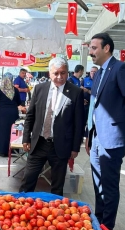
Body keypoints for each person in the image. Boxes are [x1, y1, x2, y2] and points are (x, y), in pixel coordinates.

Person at [86, 33, 125, 230]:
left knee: (109, 184)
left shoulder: (121, 68)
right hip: (97, 138)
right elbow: (93, 105)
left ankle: (107, 228)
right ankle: (99, 221)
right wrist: (89, 134)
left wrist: (118, 123)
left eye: (94, 48)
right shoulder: (98, 73)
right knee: (98, 182)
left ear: (106, 48)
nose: (91, 52)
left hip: (112, 138)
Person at [19, 57, 85, 196]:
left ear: (68, 73)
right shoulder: (39, 89)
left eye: (63, 73)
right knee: (28, 180)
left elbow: (79, 123)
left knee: (57, 185)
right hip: (39, 143)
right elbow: (31, 115)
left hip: (60, 145)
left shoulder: (75, 92)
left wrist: (75, 147)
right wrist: (26, 138)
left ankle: (55, 214)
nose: (60, 77)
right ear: (50, 73)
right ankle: (21, 207)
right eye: (56, 73)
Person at [0, 73, 22, 157]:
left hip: (2, 113)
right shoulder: (15, 90)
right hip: (13, 112)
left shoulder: (0, 89)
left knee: (2, 131)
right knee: (13, 130)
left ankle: (2, 150)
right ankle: (13, 149)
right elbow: (19, 102)